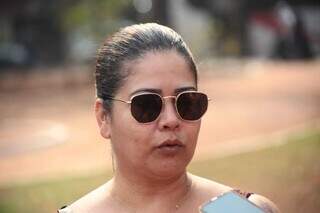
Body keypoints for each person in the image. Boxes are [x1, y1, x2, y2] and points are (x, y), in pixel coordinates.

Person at [58, 23, 280, 213]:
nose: (171, 120)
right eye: (146, 105)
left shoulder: (240, 210)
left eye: (187, 102)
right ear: (104, 118)